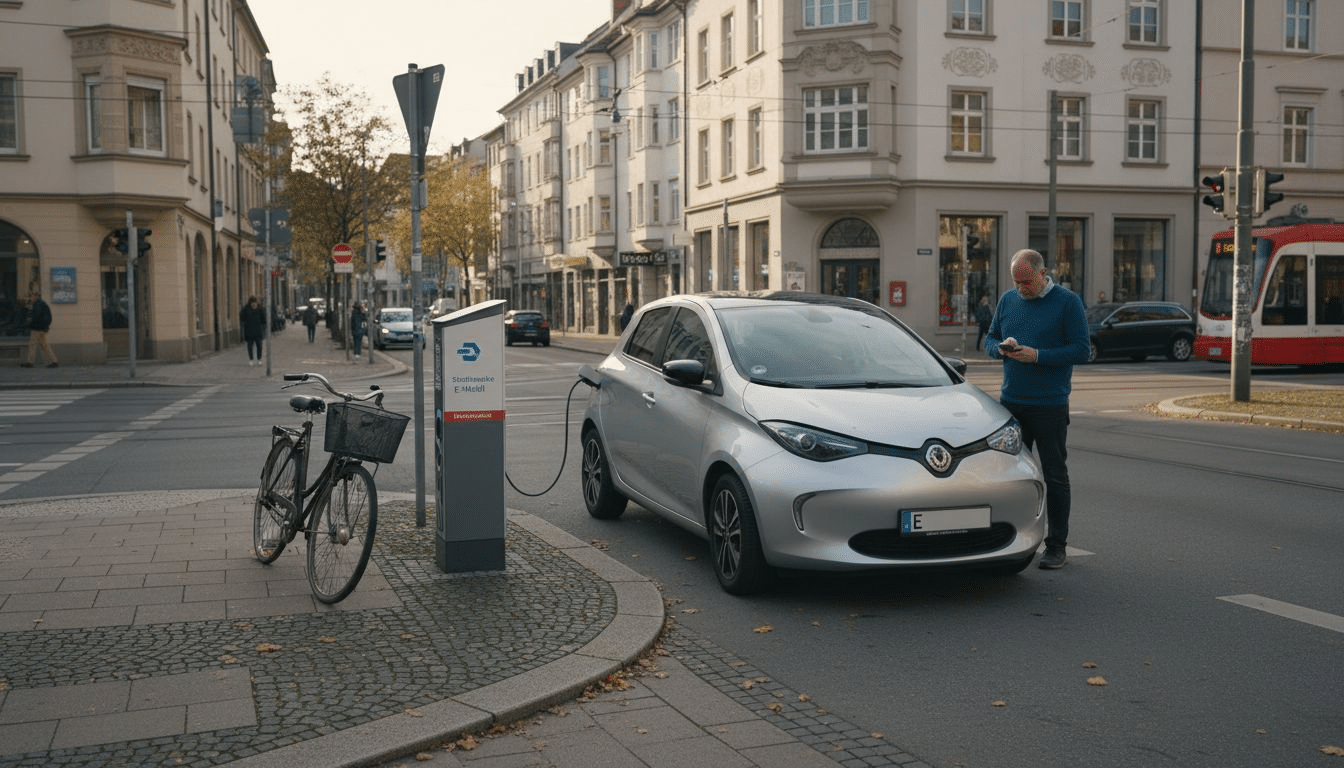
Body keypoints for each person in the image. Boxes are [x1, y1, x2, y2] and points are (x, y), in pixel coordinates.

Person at [985, 249, 1089, 570]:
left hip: (1049, 405)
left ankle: (1056, 545)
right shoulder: (1007, 300)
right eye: (1016, 282)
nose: (1021, 289)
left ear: (1044, 273)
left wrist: (1038, 355)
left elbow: (1082, 350)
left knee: (1054, 475)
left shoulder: (1067, 302)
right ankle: (1008, 541)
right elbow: (990, 339)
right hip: (1012, 403)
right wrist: (1001, 350)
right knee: (1007, 477)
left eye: (1027, 282)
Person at [20, 284, 59, 368]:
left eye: (31, 297)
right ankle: (54, 361)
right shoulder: (40, 303)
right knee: (44, 345)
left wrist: (29, 320)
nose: (30, 299)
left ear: (34, 296)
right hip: (42, 328)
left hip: (38, 328)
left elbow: (36, 316)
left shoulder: (38, 304)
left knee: (32, 344)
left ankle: (30, 362)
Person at [240, 296, 266, 366]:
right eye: (252, 303)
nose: (253, 304)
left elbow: (264, 320)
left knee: (259, 346)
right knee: (249, 346)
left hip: (258, 331)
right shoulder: (246, 309)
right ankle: (251, 359)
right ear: (250, 303)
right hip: (249, 332)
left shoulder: (260, 309)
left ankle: (259, 359)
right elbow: (242, 318)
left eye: (254, 303)